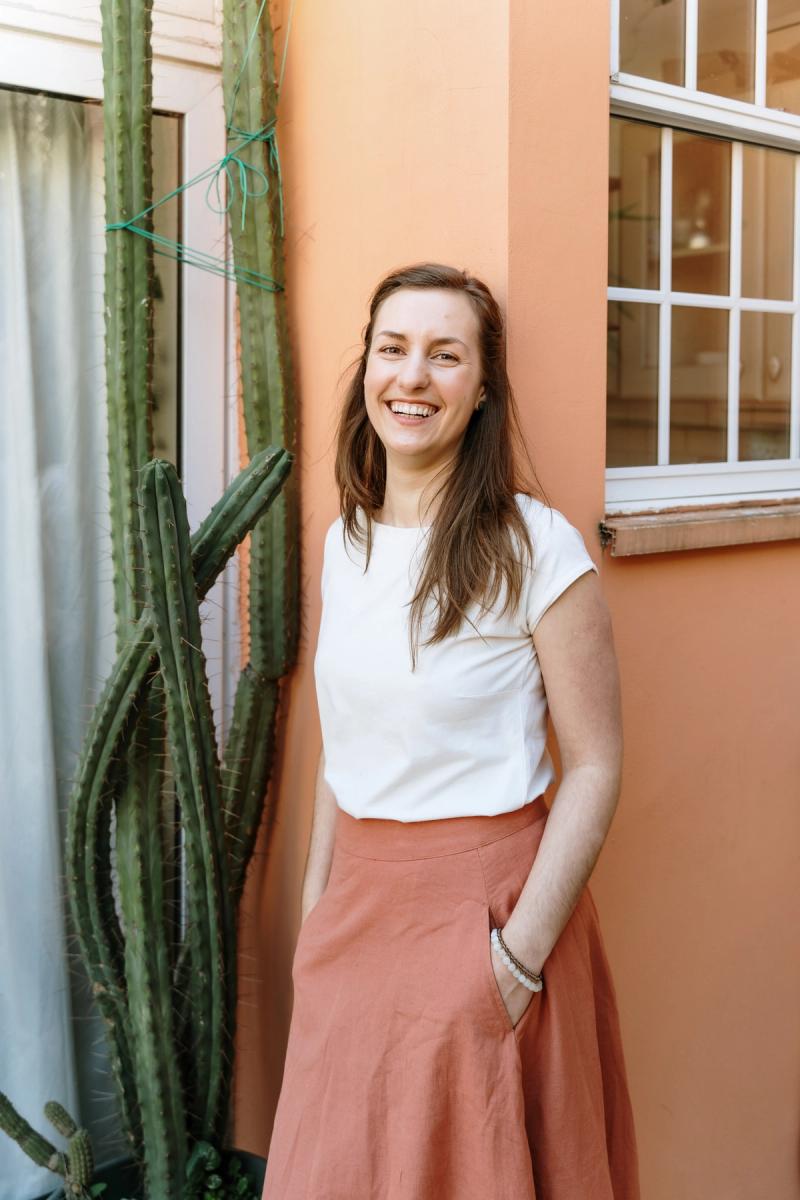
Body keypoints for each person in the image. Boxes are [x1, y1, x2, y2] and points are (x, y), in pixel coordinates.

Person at [261, 263, 640, 1199]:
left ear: (481, 390)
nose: (412, 377)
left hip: (488, 916)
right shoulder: (343, 546)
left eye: (445, 355)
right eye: (392, 350)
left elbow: (595, 764)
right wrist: (315, 917)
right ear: (367, 372)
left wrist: (515, 963)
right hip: (357, 920)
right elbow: (340, 749)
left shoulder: (534, 545)